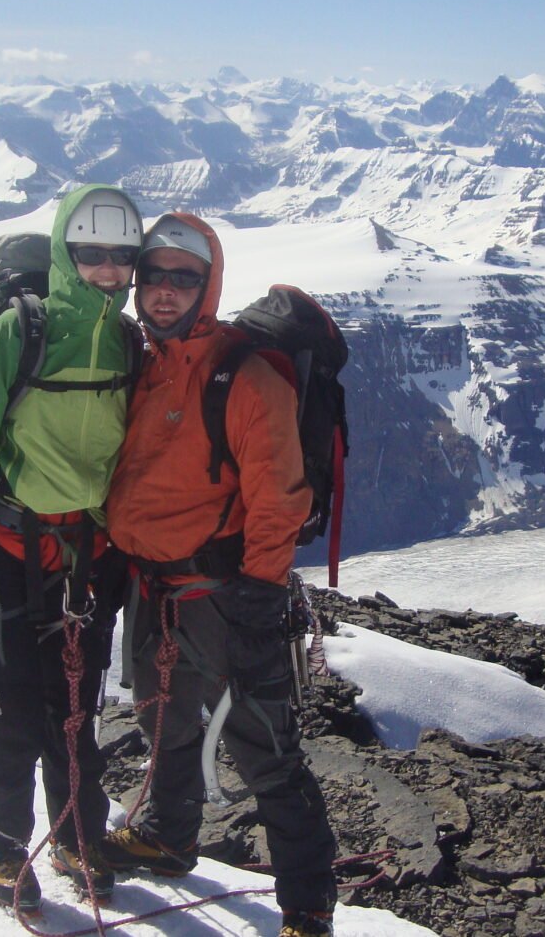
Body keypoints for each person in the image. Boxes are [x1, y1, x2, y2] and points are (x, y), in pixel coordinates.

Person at [98, 213, 339, 937]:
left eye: (183, 278)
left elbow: (279, 498)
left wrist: (262, 595)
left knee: (263, 744)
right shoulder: (146, 361)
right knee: (162, 718)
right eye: (154, 277)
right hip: (153, 586)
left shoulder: (247, 374)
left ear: (208, 286)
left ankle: (306, 904)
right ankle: (171, 837)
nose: (164, 292)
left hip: (224, 592)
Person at [0, 183, 144, 913]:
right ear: (63, 253)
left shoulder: (128, 343)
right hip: (5, 554)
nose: (107, 270)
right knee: (10, 714)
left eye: (120, 256)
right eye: (90, 254)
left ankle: (78, 834)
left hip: (85, 560)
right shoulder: (17, 334)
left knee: (74, 710)